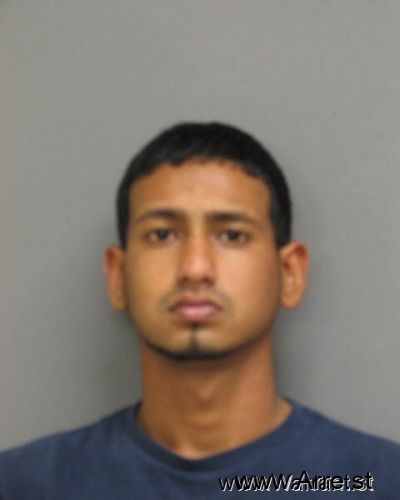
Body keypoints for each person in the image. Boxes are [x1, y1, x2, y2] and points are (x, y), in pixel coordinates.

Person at [1, 122, 399, 498]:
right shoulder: (23, 486)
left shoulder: (373, 482)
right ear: (118, 276)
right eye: (162, 234)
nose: (195, 268)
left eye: (232, 235)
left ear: (290, 274)